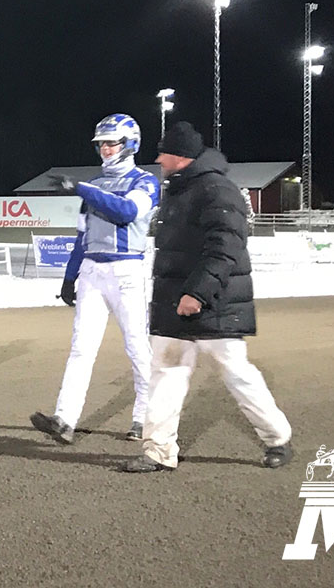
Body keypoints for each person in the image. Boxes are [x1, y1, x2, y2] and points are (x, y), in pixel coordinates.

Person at [119, 121, 292, 473]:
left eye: (163, 152)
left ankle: (277, 437)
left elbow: (226, 247)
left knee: (236, 373)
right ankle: (158, 451)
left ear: (179, 156)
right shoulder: (182, 189)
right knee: (166, 373)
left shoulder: (217, 190)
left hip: (214, 304)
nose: (158, 158)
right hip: (174, 302)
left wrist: (196, 293)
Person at [29, 114, 157, 444]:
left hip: (127, 271)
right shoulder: (95, 186)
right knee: (81, 350)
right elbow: (81, 237)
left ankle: (146, 417)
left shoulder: (145, 182)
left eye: (111, 142)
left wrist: (80, 187)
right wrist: (69, 277)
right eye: (101, 143)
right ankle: (65, 419)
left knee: (137, 348)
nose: (104, 149)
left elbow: (125, 212)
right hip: (91, 272)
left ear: (131, 145)